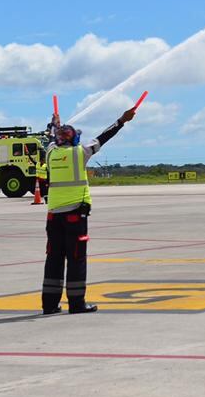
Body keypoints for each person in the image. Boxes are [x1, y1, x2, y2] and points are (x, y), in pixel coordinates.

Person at [41, 105, 137, 314]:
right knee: (76, 258)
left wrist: (54, 124)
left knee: (54, 258)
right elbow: (104, 136)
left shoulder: (50, 152)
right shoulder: (80, 153)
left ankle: (49, 305)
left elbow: (50, 137)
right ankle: (76, 303)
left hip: (53, 216)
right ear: (74, 138)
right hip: (75, 214)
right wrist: (122, 120)